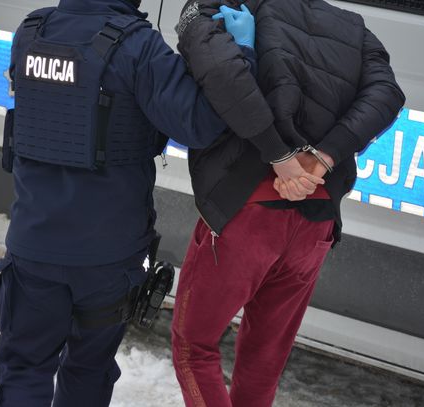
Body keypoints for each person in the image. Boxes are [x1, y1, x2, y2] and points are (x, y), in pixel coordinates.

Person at [0, 0, 319, 405]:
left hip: (33, 245)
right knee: (88, 369)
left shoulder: (31, 32)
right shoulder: (137, 45)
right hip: (108, 257)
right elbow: (199, 125)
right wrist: (241, 52)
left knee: (23, 368)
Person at [171, 1, 406, 406]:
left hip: (245, 209)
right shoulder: (353, 27)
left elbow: (223, 73)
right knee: (264, 360)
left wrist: (280, 156)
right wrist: (324, 157)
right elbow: (387, 94)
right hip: (316, 221)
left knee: (193, 348)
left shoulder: (223, 5)